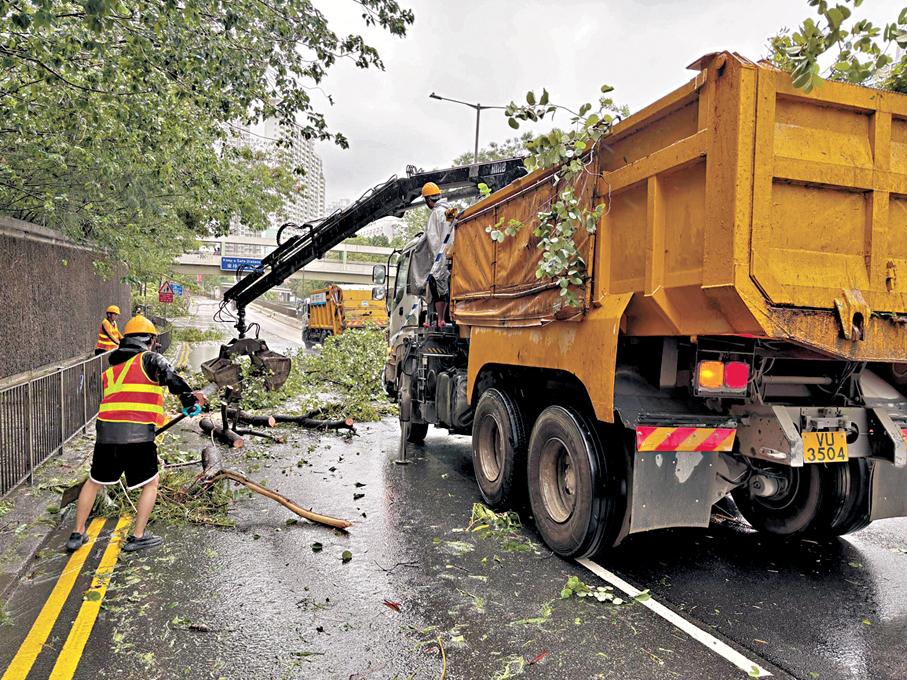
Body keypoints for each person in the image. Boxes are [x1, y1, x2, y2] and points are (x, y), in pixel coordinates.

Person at [67, 315, 206, 552]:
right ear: (150, 340)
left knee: (94, 481)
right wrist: (189, 398)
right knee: (151, 483)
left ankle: (77, 534)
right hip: (138, 436)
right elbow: (168, 375)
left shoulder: (112, 370)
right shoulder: (149, 358)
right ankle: (138, 536)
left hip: (106, 435)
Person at [411, 182, 456, 326]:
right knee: (447, 287)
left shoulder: (436, 214)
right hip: (452, 256)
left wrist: (436, 260)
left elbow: (433, 239)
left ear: (429, 200)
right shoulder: (450, 211)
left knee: (437, 288)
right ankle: (442, 318)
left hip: (440, 256)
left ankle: (440, 319)